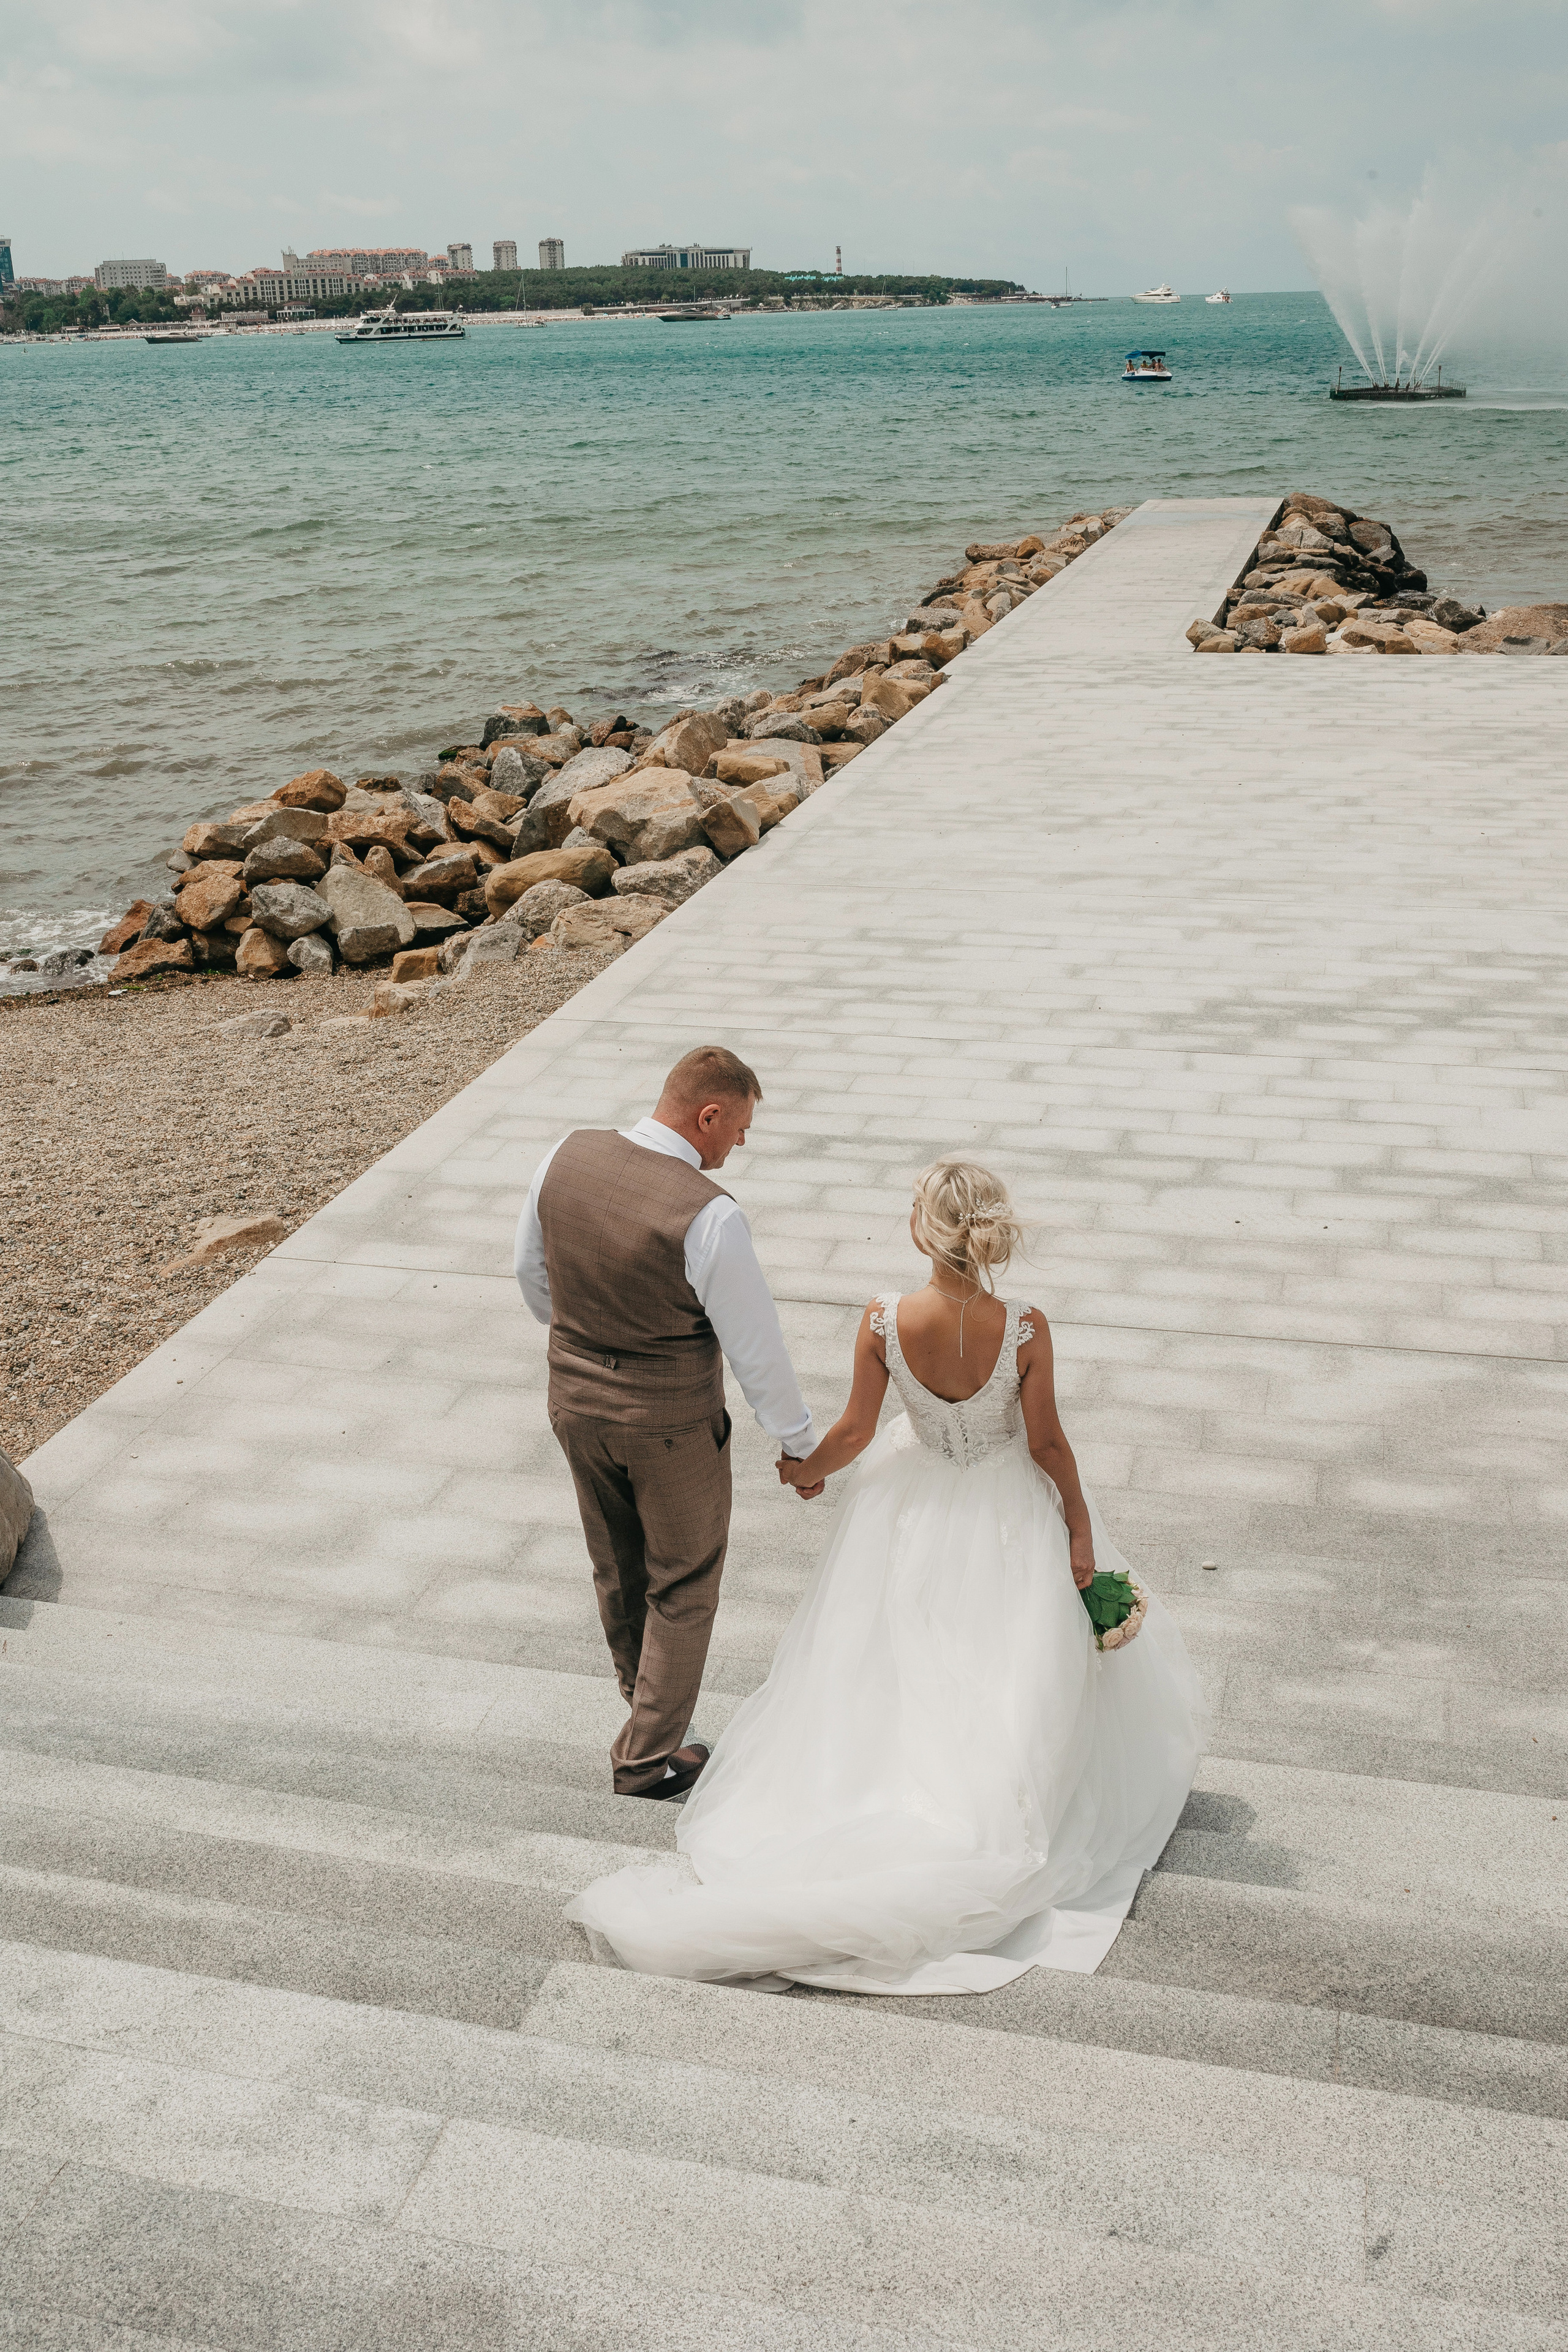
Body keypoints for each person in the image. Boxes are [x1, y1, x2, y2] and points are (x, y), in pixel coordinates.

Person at [565, 1156, 1206, 1991]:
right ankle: (999, 1794)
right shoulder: (1026, 1327)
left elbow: (856, 1431)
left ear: (919, 1230)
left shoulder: (883, 1320)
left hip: (911, 1512)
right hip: (1009, 1514)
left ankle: (890, 1787)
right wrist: (1080, 1530)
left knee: (900, 1659)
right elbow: (1046, 1445)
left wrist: (806, 1469)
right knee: (1007, 1663)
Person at [515, 1046, 817, 1800]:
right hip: (670, 1424)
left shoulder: (566, 1154)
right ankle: (647, 1759)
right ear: (707, 1114)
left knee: (618, 1567)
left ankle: (644, 1715)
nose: (739, 1144)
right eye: (739, 1127)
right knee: (683, 1582)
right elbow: (757, 1350)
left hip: (575, 1402)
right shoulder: (708, 1215)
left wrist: (589, 1346)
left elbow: (531, 1273)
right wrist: (799, 1444)